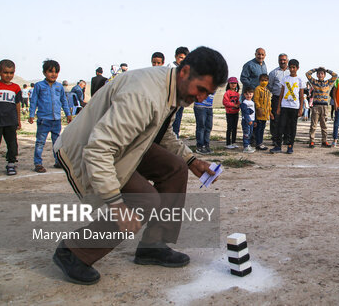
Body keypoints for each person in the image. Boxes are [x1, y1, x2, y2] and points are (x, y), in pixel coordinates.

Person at [52, 46, 227, 285]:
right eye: (201, 90)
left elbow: (161, 133)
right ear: (185, 71)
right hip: (83, 149)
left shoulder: (173, 89)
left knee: (175, 169)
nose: (201, 98)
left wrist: (191, 160)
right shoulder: (145, 95)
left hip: (122, 145)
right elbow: (98, 149)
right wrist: (117, 204)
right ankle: (73, 251)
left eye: (207, 93)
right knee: (144, 200)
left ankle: (153, 245)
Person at [28, 60, 72, 173]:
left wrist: (68, 114)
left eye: (56, 72)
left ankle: (58, 161)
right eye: (50, 71)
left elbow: (64, 101)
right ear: (44, 72)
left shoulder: (59, 87)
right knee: (40, 142)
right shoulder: (39, 86)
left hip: (56, 120)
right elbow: (34, 101)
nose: (54, 74)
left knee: (56, 142)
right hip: (44, 120)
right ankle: (38, 163)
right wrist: (31, 115)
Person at [270, 59, 304, 154]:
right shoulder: (285, 79)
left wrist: (301, 108)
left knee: (292, 127)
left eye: (294, 67)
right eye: (291, 67)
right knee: (280, 126)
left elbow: (301, 96)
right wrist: (278, 107)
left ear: (297, 68)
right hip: (284, 106)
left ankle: (290, 146)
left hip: (294, 107)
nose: (292, 69)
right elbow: (281, 94)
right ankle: (278, 146)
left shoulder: (300, 80)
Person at [0, 59, 22, 176]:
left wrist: (18, 120)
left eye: (11, 73)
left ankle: (11, 164)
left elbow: (17, 105)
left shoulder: (16, 88)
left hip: (10, 121)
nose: (8, 75)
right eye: (5, 72)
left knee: (12, 144)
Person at [305, 66, 337, 148]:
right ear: (317, 75)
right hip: (316, 106)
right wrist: (316, 69)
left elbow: (335, 75)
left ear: (324, 75)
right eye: (319, 73)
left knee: (324, 125)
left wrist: (327, 70)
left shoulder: (328, 83)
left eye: (322, 73)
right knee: (313, 125)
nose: (320, 75)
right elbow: (307, 74)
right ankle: (312, 141)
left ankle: (324, 141)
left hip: (325, 107)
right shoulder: (314, 82)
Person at [168, 47, 190, 137]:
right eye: (180, 57)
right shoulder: (171, 67)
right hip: (171, 99)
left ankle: (175, 138)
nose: (182, 60)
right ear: (175, 57)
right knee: (169, 122)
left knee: (177, 122)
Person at [253, 74, 272, 151]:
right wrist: (259, 108)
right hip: (260, 113)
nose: (264, 82)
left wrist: (270, 112)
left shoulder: (267, 91)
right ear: (259, 81)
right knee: (259, 128)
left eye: (266, 80)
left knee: (262, 128)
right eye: (262, 80)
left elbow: (269, 103)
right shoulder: (258, 89)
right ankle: (258, 143)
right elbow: (256, 99)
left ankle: (260, 142)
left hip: (266, 114)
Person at [222, 77, 240, 149]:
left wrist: (238, 105)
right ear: (228, 84)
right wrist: (234, 105)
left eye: (235, 83)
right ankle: (228, 143)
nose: (233, 85)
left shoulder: (237, 94)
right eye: (231, 83)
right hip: (229, 113)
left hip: (236, 112)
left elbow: (239, 101)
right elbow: (225, 102)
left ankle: (233, 142)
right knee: (229, 128)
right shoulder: (227, 93)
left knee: (235, 128)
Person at [240, 87, 256, 153]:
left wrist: (254, 121)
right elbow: (245, 113)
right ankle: (246, 146)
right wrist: (248, 120)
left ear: (253, 94)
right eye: (247, 94)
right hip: (246, 121)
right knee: (246, 133)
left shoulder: (252, 102)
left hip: (251, 121)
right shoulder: (244, 103)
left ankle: (248, 145)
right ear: (244, 95)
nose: (249, 95)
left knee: (250, 133)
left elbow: (253, 112)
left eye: (250, 94)